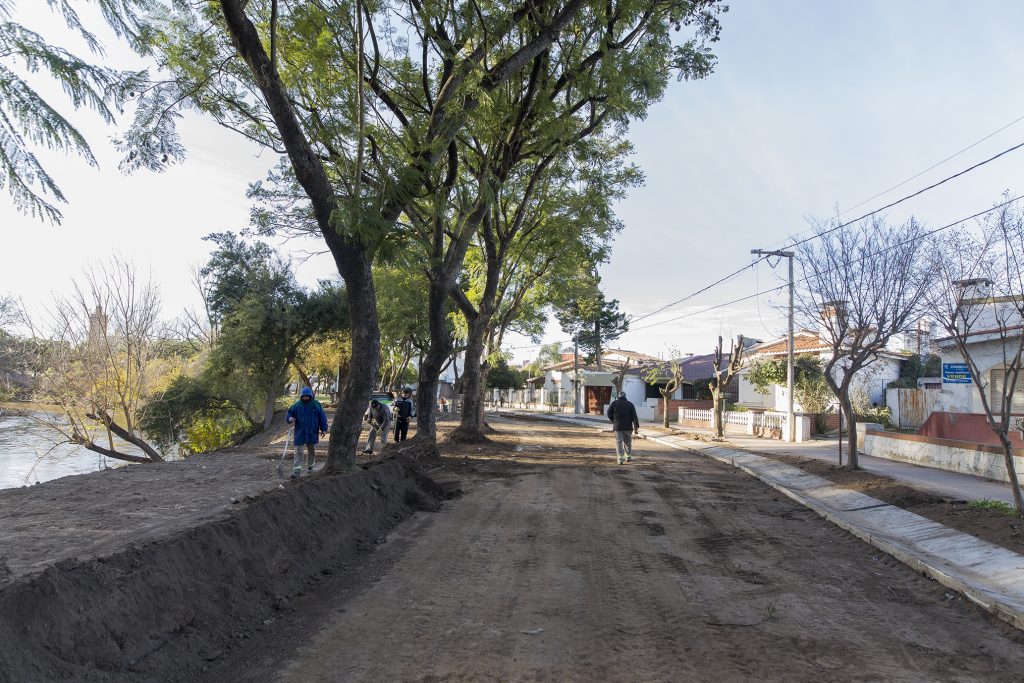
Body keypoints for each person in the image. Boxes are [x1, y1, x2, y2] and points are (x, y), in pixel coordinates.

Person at [286, 386, 329, 478]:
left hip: (312, 432)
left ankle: (310, 468)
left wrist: (324, 429)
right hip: (300, 433)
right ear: (301, 396)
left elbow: (322, 417)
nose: (305, 398)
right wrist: (290, 418)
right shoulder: (297, 405)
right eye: (304, 396)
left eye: (307, 396)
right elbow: (289, 413)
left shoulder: (316, 405)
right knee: (298, 452)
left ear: (310, 396)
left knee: (311, 451)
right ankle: (296, 471)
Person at [607, 391, 639, 465]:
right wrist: (636, 427)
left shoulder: (614, 403)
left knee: (619, 442)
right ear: (625, 396)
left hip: (618, 427)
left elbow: (609, 414)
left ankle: (620, 458)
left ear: (618, 396)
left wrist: (614, 421)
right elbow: (635, 417)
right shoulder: (630, 404)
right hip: (628, 427)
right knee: (628, 442)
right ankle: (628, 457)